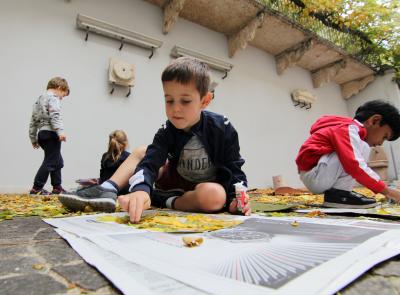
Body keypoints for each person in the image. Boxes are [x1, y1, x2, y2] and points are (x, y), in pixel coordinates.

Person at [59, 57, 250, 221]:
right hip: (171, 181)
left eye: (185, 101)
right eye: (169, 100)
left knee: (215, 196)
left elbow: (234, 167)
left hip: (201, 191)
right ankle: (108, 188)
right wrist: (141, 189)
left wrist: (237, 199)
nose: (175, 109)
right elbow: (150, 163)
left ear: (205, 101)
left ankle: (159, 199)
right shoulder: (167, 129)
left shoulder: (222, 127)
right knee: (143, 151)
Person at [296, 100, 400, 208]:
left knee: (360, 147)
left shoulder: (350, 130)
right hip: (315, 176)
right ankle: (339, 195)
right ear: (374, 121)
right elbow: (354, 164)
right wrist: (387, 191)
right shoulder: (347, 129)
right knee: (357, 151)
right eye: (384, 136)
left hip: (318, 174)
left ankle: (340, 195)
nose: (380, 143)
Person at [29, 77, 70, 195]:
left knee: (58, 161)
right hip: (52, 134)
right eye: (63, 94)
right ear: (59, 88)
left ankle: (57, 187)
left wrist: (33, 138)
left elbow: (33, 121)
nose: (62, 98)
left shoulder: (38, 100)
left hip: (42, 134)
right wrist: (60, 131)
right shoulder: (53, 98)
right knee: (50, 161)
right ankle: (36, 188)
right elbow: (55, 115)